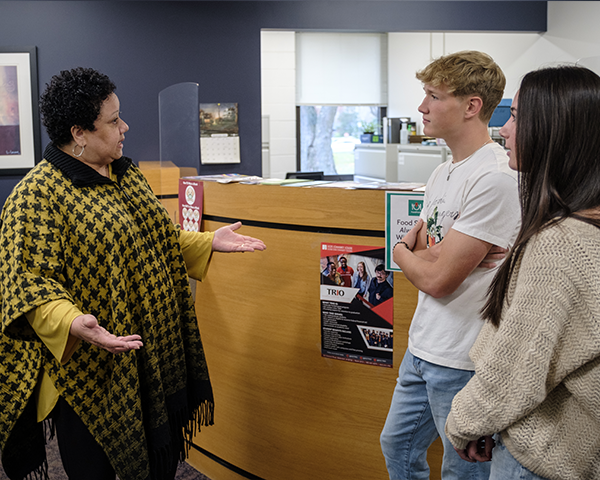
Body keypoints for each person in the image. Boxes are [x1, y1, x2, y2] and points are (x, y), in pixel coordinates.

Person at [0, 67, 266, 480]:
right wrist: (74, 321)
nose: (125, 126)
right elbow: (29, 284)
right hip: (89, 372)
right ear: (79, 133)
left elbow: (155, 242)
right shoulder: (36, 195)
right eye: (112, 120)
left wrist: (207, 242)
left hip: (147, 353)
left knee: (157, 462)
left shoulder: (125, 176)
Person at [445, 65, 600, 480]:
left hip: (542, 456)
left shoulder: (562, 243)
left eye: (515, 117)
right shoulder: (584, 229)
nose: (504, 131)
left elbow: (519, 366)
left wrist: (465, 422)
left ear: (553, 130)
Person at [379, 50, 520, 480]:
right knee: (397, 448)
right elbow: (427, 251)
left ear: (471, 106)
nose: (422, 108)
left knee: (464, 473)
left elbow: (436, 277)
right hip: (422, 345)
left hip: (462, 356)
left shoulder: (495, 177)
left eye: (433, 96)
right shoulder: (443, 172)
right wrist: (421, 254)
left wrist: (403, 255)